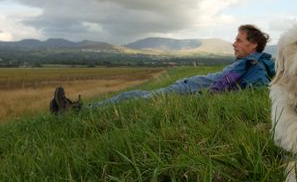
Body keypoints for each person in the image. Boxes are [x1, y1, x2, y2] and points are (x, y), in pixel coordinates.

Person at [50, 24, 275, 113]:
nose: (233, 43)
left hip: (188, 92)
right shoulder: (256, 63)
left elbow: (234, 86)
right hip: (188, 89)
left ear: (253, 44)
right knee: (136, 96)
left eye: (238, 40)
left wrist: (204, 98)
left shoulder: (252, 63)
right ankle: (76, 109)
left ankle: (78, 111)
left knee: (134, 95)